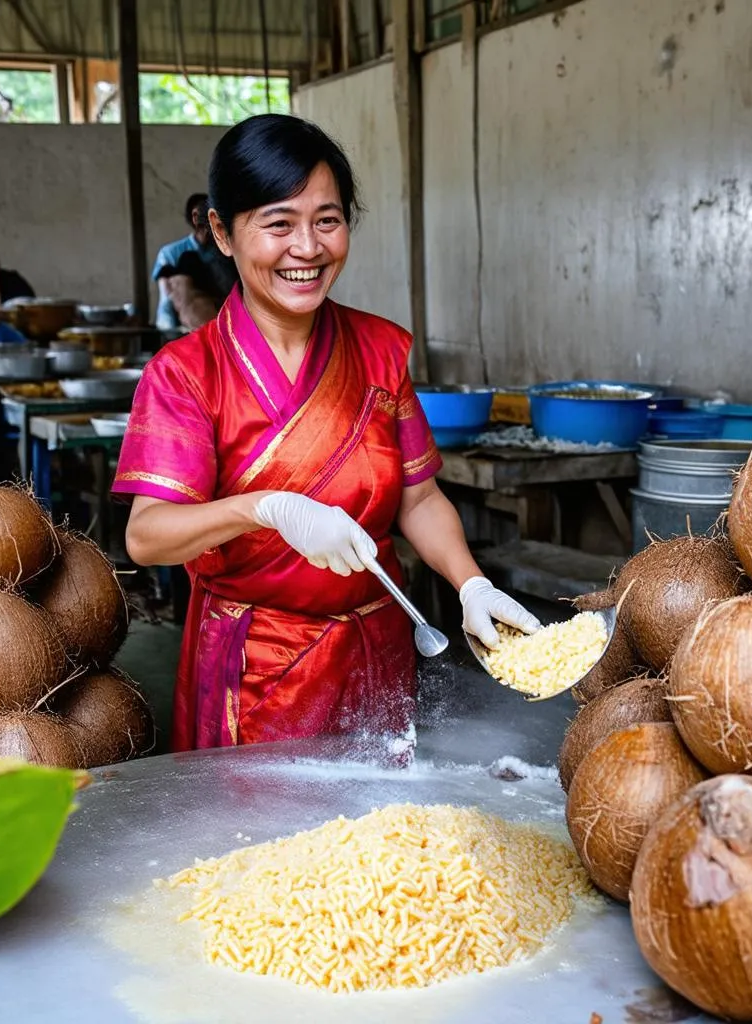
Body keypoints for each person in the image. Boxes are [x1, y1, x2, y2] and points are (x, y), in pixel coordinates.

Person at [113, 113, 541, 752]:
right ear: (222, 234)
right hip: (255, 674)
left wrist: (469, 581)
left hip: (378, 655)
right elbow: (147, 538)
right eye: (278, 223)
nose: (307, 247)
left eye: (328, 220)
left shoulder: (378, 350)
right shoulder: (187, 374)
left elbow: (418, 498)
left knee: (379, 846)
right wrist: (266, 508)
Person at [152, 192, 211, 331]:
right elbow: (167, 301)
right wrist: (170, 332)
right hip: (179, 329)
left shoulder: (222, 254)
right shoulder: (170, 253)